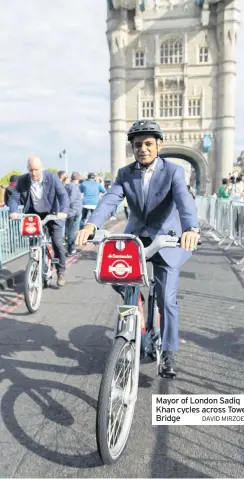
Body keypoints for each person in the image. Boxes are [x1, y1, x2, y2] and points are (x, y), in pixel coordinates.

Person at [76, 120, 200, 378]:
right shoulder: (125, 173)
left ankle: (168, 352)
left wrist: (191, 229)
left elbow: (184, 200)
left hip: (167, 238)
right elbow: (110, 199)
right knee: (114, 272)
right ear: (132, 148)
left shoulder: (174, 171)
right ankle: (137, 301)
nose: (142, 148)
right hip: (137, 236)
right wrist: (90, 225)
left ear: (158, 145)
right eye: (137, 145)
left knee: (166, 298)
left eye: (147, 144)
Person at [7, 156, 69, 286]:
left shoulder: (52, 177)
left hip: (53, 214)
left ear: (41, 168)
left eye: (36, 170)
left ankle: (60, 271)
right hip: (33, 214)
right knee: (33, 243)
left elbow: (63, 195)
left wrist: (63, 212)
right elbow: (14, 197)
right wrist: (13, 211)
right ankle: (36, 267)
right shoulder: (23, 180)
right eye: (31, 170)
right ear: (27, 169)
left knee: (57, 244)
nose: (33, 173)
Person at [65, 172, 83, 256]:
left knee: (69, 230)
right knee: (73, 231)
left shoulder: (68, 186)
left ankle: (70, 248)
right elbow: (71, 199)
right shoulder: (74, 187)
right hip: (74, 211)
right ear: (78, 179)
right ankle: (71, 249)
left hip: (70, 211)